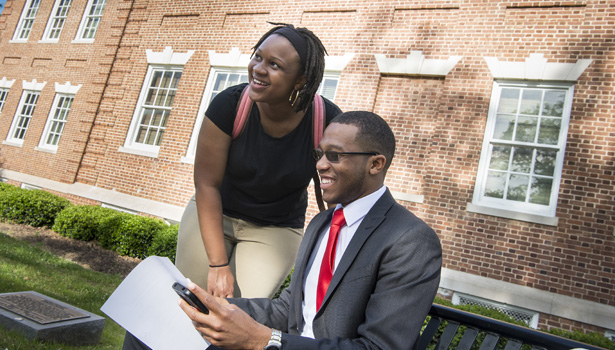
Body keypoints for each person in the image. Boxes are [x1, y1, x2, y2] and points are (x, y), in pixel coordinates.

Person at [178, 111, 443, 349]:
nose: (320, 165)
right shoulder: (322, 223)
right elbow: (288, 311)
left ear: (375, 164)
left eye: (335, 156)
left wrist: (265, 340)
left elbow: (379, 347)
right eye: (320, 154)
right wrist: (217, 307)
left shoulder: (410, 240)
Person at [175, 23, 342, 300]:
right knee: (190, 303)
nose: (259, 69)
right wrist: (217, 264)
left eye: (274, 65)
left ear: (300, 80)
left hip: (275, 229)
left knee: (238, 315)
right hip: (216, 213)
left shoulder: (327, 121)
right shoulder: (229, 105)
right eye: (258, 57)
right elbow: (206, 184)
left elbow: (339, 193)